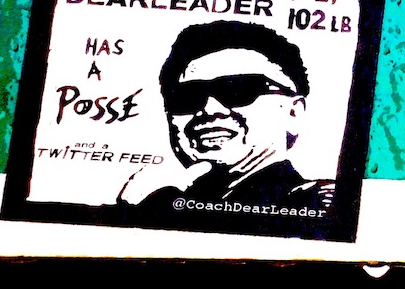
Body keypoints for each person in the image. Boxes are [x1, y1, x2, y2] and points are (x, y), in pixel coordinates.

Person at [117, 21, 335, 234]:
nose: (210, 109)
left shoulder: (319, 204)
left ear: (293, 112)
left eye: (238, 90)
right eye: (187, 97)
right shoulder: (163, 202)